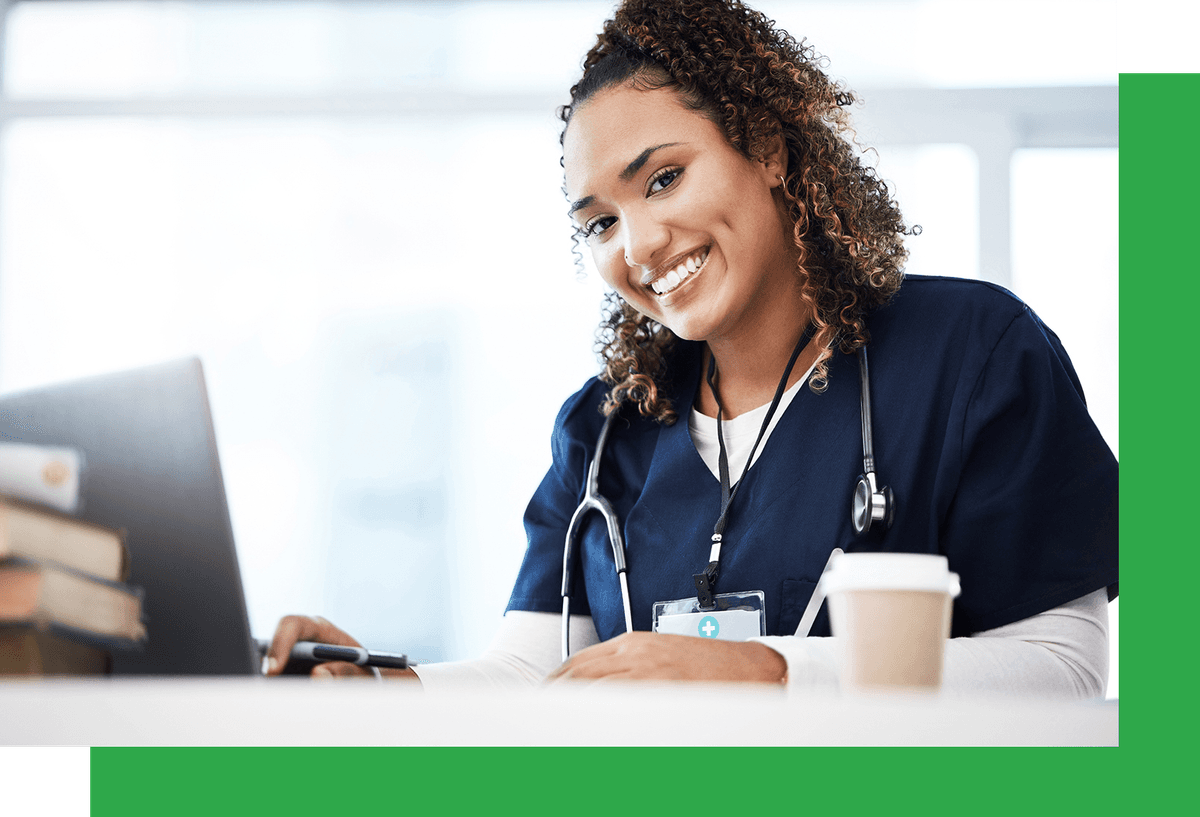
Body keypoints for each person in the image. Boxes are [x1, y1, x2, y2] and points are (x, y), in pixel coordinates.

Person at [267, 0, 1118, 696]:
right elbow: (533, 673)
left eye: (664, 178)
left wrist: (765, 672)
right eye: (600, 222)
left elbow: (1064, 668)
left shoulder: (971, 355)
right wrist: (389, 685)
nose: (637, 244)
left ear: (770, 147)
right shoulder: (606, 429)